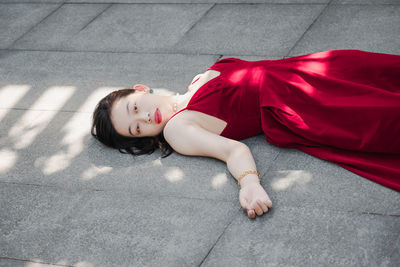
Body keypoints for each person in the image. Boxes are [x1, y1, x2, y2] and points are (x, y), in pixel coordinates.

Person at [92, 50, 400, 219]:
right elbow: (233, 151)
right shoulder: (176, 129)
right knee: (387, 115)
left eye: (134, 108)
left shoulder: (196, 83)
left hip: (311, 68)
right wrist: (249, 183)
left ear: (140, 89)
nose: (145, 118)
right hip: (303, 102)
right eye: (137, 129)